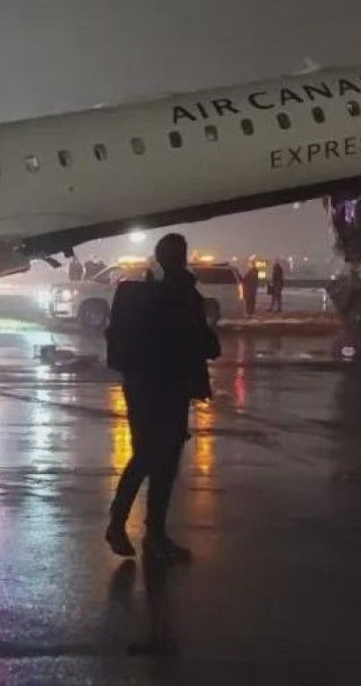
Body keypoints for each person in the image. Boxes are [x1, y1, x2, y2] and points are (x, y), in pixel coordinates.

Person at [104, 233, 220, 561]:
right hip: (169, 389)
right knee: (162, 462)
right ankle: (148, 532)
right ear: (182, 257)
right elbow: (206, 344)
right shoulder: (183, 294)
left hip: (141, 386)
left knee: (145, 456)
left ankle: (126, 524)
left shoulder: (142, 295)